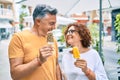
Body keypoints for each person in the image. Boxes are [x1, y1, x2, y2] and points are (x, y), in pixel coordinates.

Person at [8, 4, 62, 80]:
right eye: (51, 23)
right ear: (38, 21)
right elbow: (15, 74)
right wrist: (39, 60)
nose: (54, 27)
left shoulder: (51, 38)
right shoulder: (19, 38)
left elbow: (56, 65)